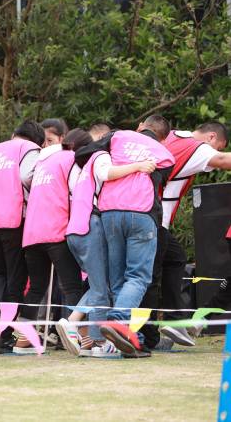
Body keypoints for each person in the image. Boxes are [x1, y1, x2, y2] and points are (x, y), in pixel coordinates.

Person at [77, 115, 175, 357]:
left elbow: (83, 153)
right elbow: (158, 182)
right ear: (163, 138)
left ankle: (132, 338)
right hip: (142, 214)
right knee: (138, 277)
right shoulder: (165, 154)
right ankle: (119, 322)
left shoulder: (117, 136)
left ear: (140, 126)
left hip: (109, 213)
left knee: (118, 279)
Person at [61, 136, 156, 358]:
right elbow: (107, 173)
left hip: (75, 227)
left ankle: (74, 323)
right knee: (101, 290)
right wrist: (138, 165)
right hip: (90, 226)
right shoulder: (101, 156)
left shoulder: (82, 166)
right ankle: (99, 343)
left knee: (99, 284)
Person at [143, 122, 231, 349]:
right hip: (153, 217)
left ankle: (175, 322)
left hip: (144, 214)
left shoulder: (171, 136)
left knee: (175, 259)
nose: (215, 153)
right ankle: (147, 338)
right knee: (148, 278)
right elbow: (223, 161)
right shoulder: (197, 148)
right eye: (218, 147)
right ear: (211, 137)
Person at [14, 129, 92, 354]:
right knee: (71, 286)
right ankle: (84, 338)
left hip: (32, 233)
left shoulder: (43, 161)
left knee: (36, 287)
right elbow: (77, 192)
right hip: (57, 229)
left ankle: (23, 340)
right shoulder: (71, 160)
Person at [0, 119, 44, 353]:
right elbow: (28, 176)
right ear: (38, 140)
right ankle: (4, 332)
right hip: (13, 217)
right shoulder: (28, 148)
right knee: (16, 277)